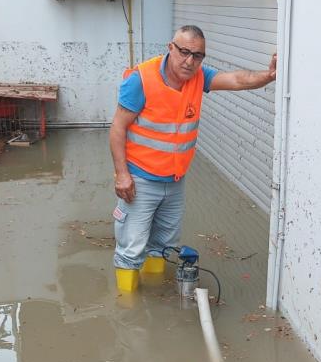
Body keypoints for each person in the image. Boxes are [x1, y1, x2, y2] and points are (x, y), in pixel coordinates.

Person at [110, 25, 277, 292]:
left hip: (174, 182)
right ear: (170, 48)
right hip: (140, 180)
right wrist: (122, 175)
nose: (190, 61)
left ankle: (153, 294)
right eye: (184, 52)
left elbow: (236, 79)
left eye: (198, 55)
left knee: (162, 245)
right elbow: (117, 128)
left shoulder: (198, 77)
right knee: (131, 247)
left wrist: (269, 76)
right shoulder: (141, 80)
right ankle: (128, 313)